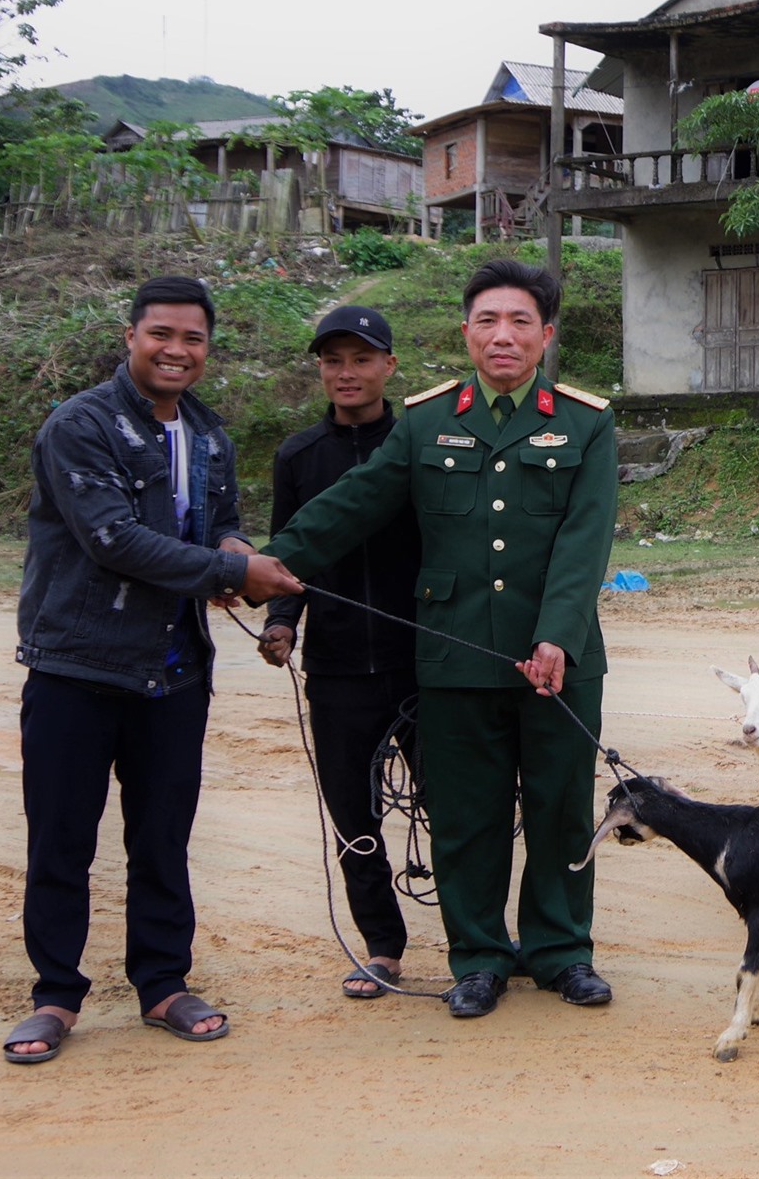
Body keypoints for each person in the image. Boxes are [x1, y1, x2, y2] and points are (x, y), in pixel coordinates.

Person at [262, 259, 618, 1019]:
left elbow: (583, 542)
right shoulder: (426, 421)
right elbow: (354, 503)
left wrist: (557, 635)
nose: (503, 336)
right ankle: (480, 957)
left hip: (560, 659)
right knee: (466, 813)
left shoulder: (586, 423)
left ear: (545, 335)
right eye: (488, 320)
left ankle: (560, 951)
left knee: (558, 806)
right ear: (466, 332)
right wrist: (272, 562)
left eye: (521, 322)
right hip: (455, 652)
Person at [4, 276, 303, 1063]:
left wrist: (237, 551)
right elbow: (113, 540)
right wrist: (233, 573)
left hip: (174, 673)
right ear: (131, 336)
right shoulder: (81, 425)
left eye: (193, 339)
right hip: (77, 664)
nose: (176, 351)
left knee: (163, 839)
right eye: (161, 335)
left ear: (208, 347)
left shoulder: (208, 436)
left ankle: (164, 984)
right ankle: (56, 995)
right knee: (61, 838)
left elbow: (223, 524)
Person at [258, 305, 425, 999]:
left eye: (361, 359)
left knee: (453, 808)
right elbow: (287, 554)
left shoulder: (421, 441)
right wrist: (282, 621)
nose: (346, 373)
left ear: (388, 365)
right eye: (333, 360)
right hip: (335, 668)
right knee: (354, 819)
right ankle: (382, 947)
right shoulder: (300, 457)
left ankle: (481, 940)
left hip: (420, 662)